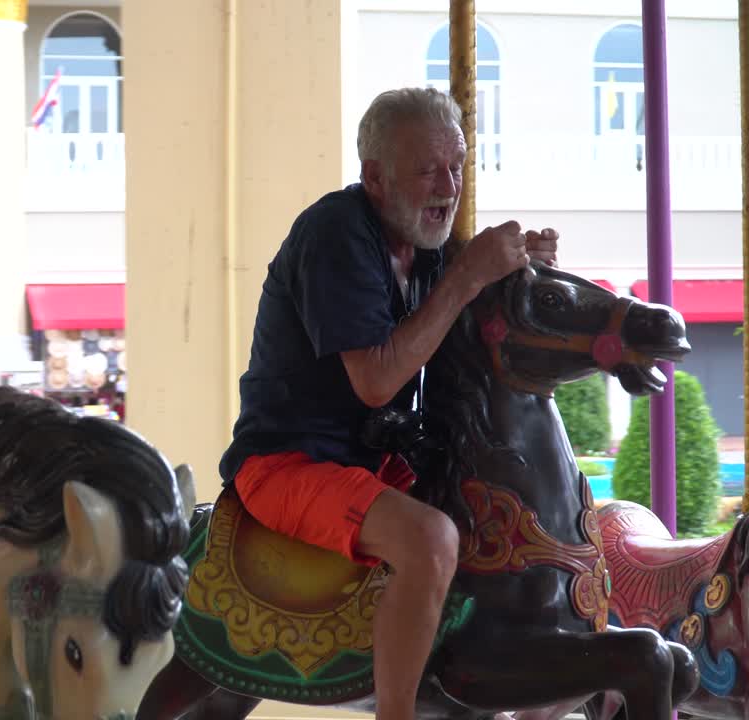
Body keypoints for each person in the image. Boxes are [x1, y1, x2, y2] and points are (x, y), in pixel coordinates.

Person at [217, 87, 558, 720]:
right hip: (288, 462)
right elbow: (375, 380)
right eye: (427, 169)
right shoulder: (336, 232)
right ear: (375, 177)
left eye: (455, 166)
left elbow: (473, 313)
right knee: (432, 539)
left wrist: (521, 265)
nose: (448, 186)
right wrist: (466, 276)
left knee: (500, 523)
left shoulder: (426, 248)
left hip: (377, 463)